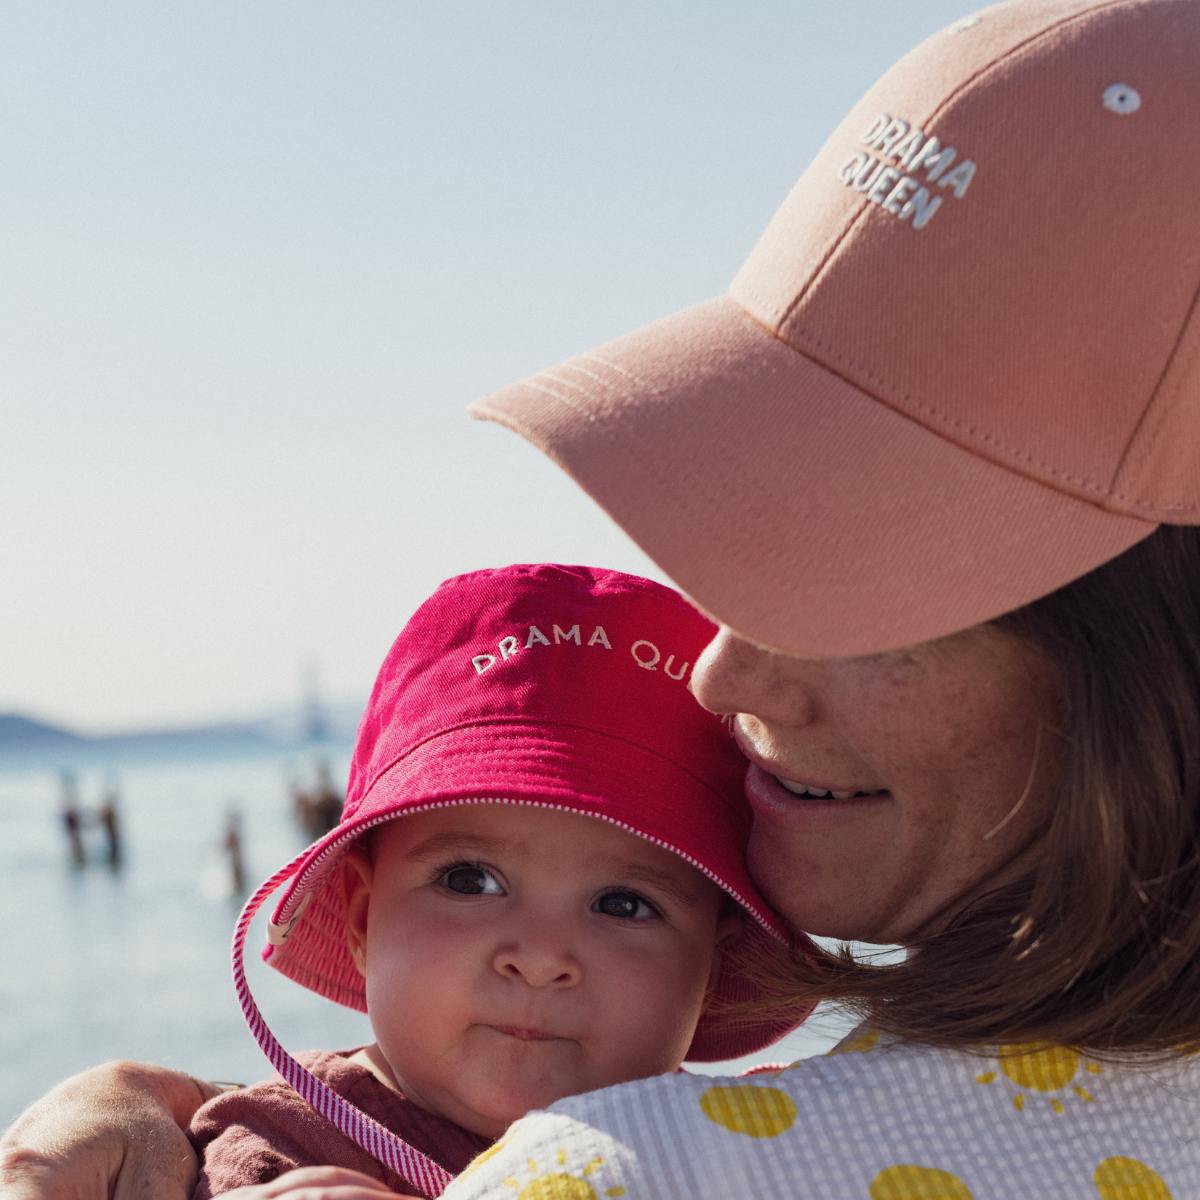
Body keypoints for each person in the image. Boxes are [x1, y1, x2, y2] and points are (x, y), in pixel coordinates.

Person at [4, 0, 1200, 1196]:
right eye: (738, 555)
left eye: (853, 572)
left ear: (1155, 656)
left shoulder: (619, 1174)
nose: (726, 678)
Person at [192, 563, 805, 1197]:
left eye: (624, 904)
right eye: (469, 881)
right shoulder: (291, 1145)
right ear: (362, 920)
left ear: (711, 965)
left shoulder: (751, 1146)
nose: (540, 960)